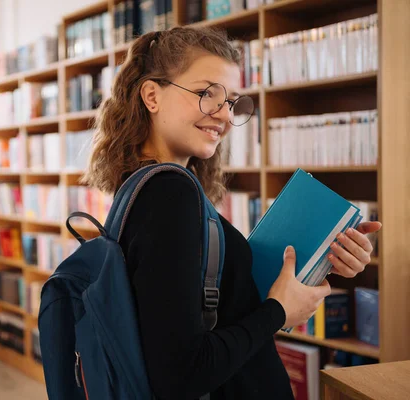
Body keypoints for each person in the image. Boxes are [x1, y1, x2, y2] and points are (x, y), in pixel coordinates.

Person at [80, 26, 382, 400]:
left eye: (232, 101)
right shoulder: (168, 195)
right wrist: (277, 312)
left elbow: (216, 310)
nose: (223, 115)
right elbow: (181, 375)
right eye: (208, 94)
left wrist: (324, 260)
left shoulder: (153, 188)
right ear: (152, 95)